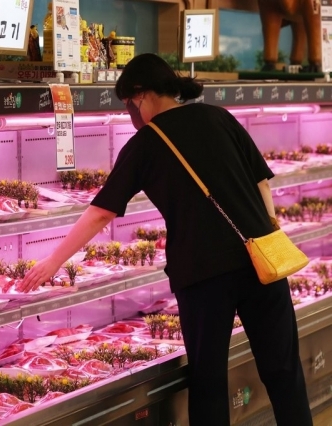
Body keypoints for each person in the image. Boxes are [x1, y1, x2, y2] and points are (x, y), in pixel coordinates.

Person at [17, 53, 312, 425]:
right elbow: (260, 181)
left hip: (204, 275)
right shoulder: (218, 116)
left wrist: (52, 263)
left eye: (128, 104)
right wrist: (268, 231)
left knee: (209, 381)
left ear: (141, 95)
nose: (130, 113)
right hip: (262, 261)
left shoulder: (147, 143)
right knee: (284, 370)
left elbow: (101, 212)